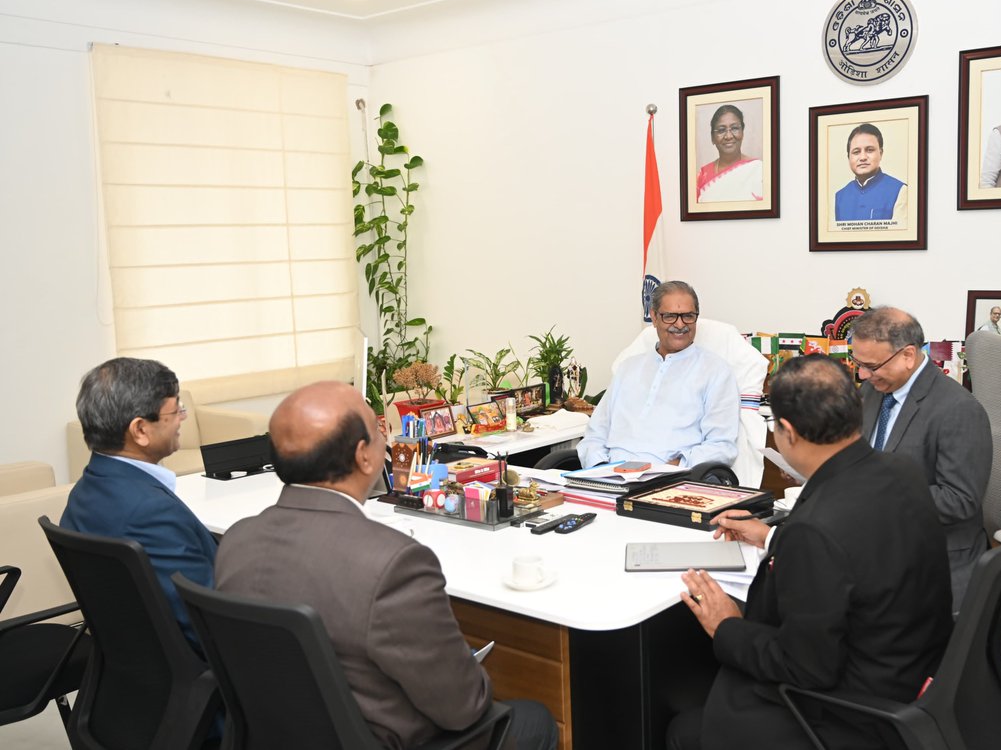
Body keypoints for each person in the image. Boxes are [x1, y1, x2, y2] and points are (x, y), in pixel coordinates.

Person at [215, 381, 556, 750]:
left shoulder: (235, 541)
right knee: (533, 718)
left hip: (278, 736)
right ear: (364, 456)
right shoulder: (392, 563)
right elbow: (465, 708)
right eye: (379, 431)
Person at [666, 355, 952, 750]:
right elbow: (860, 553)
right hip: (912, 677)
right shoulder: (901, 471)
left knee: (684, 731)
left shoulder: (814, 528)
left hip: (849, 713)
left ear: (786, 432)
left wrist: (727, 626)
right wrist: (770, 537)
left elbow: (805, 668)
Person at [60, 357, 217, 648]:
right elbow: (210, 624)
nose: (182, 418)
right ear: (140, 430)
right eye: (175, 410)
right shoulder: (150, 512)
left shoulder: (86, 490)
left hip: (134, 661)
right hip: (203, 675)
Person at [851, 307, 993, 611]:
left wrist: (878, 494)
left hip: (930, 559)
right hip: (873, 542)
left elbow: (961, 500)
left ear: (908, 355)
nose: (863, 374)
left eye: (871, 366)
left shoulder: (958, 410)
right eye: (858, 364)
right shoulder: (873, 391)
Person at [577, 281, 739, 469]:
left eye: (688, 316)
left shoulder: (716, 371)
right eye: (669, 316)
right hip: (608, 476)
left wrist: (673, 468)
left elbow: (721, 446)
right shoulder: (628, 368)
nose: (680, 324)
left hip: (669, 480)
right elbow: (595, 434)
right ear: (654, 317)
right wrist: (599, 467)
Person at [834, 123, 908, 221]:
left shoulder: (900, 191)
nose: (863, 157)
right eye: (856, 152)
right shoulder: (840, 197)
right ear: (848, 157)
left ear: (881, 153)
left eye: (869, 150)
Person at [695, 105, 764, 203]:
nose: (728, 136)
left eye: (735, 128)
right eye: (721, 130)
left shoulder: (759, 170)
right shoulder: (702, 177)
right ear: (712, 138)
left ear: (742, 133)